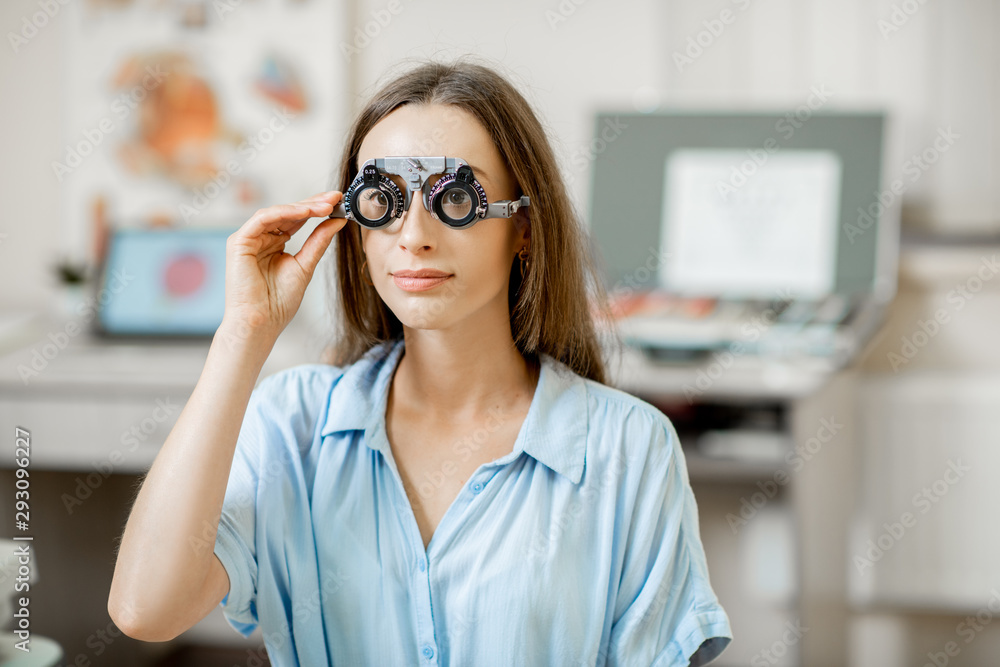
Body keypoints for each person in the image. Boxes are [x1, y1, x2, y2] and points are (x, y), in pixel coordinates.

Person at [108, 58, 733, 666]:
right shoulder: (291, 424)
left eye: (455, 198)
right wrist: (243, 334)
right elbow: (146, 610)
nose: (413, 235)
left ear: (524, 228)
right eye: (384, 200)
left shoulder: (628, 447)